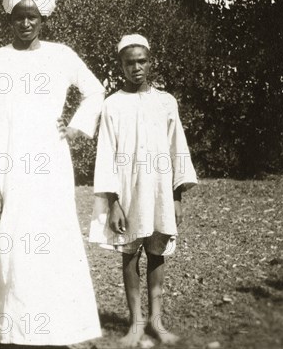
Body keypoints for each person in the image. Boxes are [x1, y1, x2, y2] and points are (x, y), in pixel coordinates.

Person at [0, 0, 104, 346]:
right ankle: (15, 332)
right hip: (7, 166)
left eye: (32, 16)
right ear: (9, 19)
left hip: (49, 165)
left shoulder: (61, 55)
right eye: (19, 17)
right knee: (9, 248)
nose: (26, 23)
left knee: (52, 245)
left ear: (43, 18)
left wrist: (76, 127)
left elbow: (95, 90)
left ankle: (56, 331)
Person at [89, 34, 198, 347]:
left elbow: (179, 149)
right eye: (129, 62)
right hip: (127, 191)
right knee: (129, 254)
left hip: (160, 190)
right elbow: (107, 154)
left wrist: (176, 197)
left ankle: (157, 321)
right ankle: (135, 322)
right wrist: (114, 203)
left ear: (150, 62)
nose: (136, 67)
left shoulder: (166, 102)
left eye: (142, 61)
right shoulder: (112, 105)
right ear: (121, 65)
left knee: (157, 251)